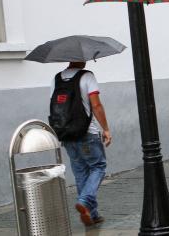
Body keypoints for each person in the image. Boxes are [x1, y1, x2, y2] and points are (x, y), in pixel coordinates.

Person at [51, 62, 111, 226]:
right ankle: (84, 201)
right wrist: (105, 128)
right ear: (81, 58)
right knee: (98, 167)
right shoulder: (87, 76)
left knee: (81, 173)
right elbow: (96, 105)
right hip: (86, 133)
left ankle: (92, 214)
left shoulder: (57, 79)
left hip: (67, 135)